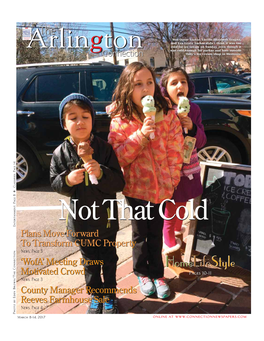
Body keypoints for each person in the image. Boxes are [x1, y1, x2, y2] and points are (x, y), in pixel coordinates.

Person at [107, 62, 184, 299]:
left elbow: (175, 148)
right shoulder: (120, 119)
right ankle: (142, 272)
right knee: (141, 234)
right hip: (137, 189)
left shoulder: (168, 115)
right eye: (138, 84)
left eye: (149, 82)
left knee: (156, 232)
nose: (145, 89)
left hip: (162, 187)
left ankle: (157, 273)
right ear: (127, 89)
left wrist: (172, 179)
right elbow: (118, 156)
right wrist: (140, 135)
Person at [50, 93, 125, 314]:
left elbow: (119, 183)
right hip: (81, 221)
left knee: (109, 259)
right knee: (90, 262)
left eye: (85, 116)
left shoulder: (104, 148)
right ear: (64, 124)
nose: (80, 122)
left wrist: (102, 173)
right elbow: (54, 182)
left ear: (93, 120)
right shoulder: (60, 153)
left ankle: (110, 295)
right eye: (73, 118)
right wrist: (67, 180)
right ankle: (95, 296)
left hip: (106, 218)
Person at [160, 67, 207, 281]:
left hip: (189, 168)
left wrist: (193, 128)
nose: (180, 86)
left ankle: (178, 239)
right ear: (164, 89)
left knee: (182, 206)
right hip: (169, 171)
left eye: (184, 82)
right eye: (173, 83)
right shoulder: (163, 111)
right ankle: (171, 253)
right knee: (171, 209)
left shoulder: (194, 109)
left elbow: (202, 140)